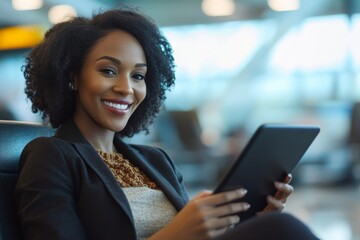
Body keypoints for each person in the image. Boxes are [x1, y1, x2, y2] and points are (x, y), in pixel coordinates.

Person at [14, 7, 319, 240]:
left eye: (138, 75)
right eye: (108, 70)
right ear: (72, 77)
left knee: (276, 226)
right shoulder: (51, 156)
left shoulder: (155, 160)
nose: (126, 88)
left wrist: (253, 219)